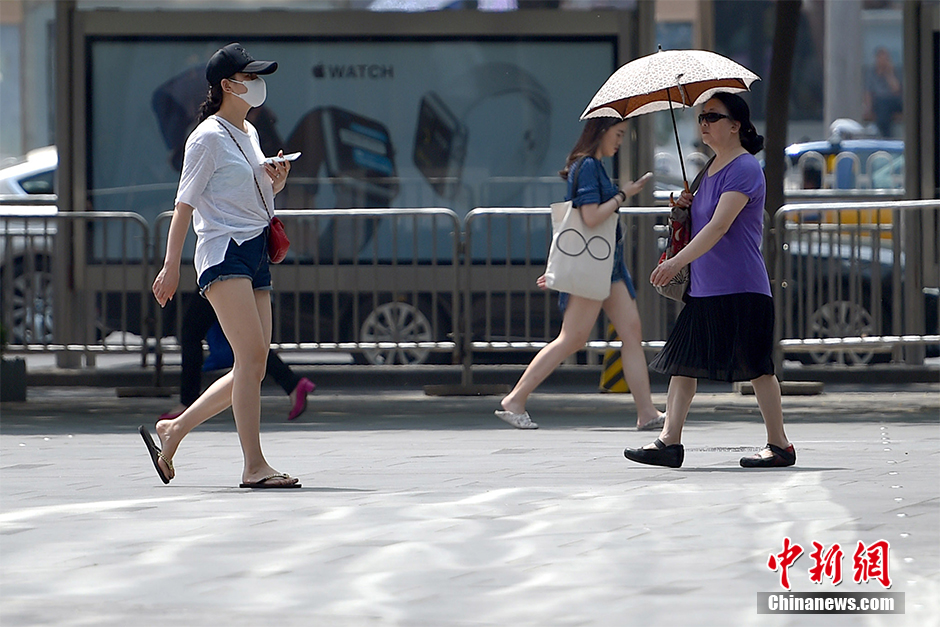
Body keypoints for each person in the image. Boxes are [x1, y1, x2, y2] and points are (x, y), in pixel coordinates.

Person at [141, 43, 300, 488]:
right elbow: (184, 206)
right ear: (228, 85)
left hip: (254, 250)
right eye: (249, 77)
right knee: (250, 358)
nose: (257, 84)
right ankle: (254, 466)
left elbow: (251, 201)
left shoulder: (248, 133)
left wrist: (276, 184)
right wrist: (171, 265)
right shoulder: (206, 137)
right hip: (222, 251)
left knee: (255, 365)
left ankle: (173, 430)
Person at [624, 91, 795, 469]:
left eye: (712, 117)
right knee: (684, 363)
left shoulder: (745, 168)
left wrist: (675, 263)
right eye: (701, 117)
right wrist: (683, 209)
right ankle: (669, 441)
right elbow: (704, 222)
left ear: (736, 125)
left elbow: (719, 227)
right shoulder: (710, 168)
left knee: (758, 368)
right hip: (706, 287)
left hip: (742, 286)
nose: (703, 123)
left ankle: (780, 444)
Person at [496, 116, 664, 431]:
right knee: (573, 338)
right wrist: (624, 194)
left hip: (607, 266)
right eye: (617, 134)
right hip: (597, 266)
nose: (619, 141)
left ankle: (647, 412)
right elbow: (590, 217)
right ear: (600, 133)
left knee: (630, 333)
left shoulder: (591, 166)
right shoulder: (587, 166)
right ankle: (515, 399)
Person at [158, 293, 315, 422]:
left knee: (242, 343)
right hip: (233, 270)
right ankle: (292, 383)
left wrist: (171, 267)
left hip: (224, 270)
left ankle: (187, 404)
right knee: (247, 342)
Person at [863, 47, 902, 138]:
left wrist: (888, 73)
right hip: (879, 103)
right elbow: (868, 92)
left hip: (893, 100)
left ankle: (886, 135)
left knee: (884, 103)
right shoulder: (871, 73)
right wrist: (868, 109)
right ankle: (885, 135)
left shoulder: (894, 71)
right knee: (881, 105)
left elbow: (896, 90)